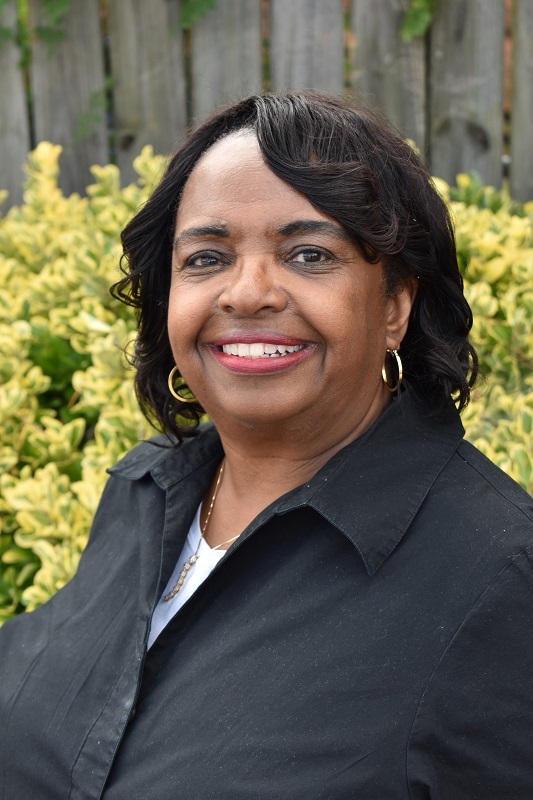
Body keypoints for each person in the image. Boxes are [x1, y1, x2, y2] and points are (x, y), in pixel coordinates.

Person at [0, 91, 532, 800]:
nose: (247, 294)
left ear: (395, 306)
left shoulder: (497, 580)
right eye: (206, 258)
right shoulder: (144, 493)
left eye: (308, 254)